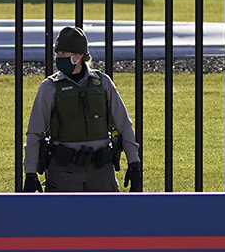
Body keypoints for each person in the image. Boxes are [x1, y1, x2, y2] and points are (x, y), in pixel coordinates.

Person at [20, 25, 142, 193]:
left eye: (64, 53)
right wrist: (30, 173)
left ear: (79, 56)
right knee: (63, 218)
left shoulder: (103, 83)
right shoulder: (49, 88)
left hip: (101, 171)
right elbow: (34, 132)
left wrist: (134, 164)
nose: (59, 57)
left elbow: (124, 125)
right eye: (58, 53)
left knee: (106, 217)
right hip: (64, 172)